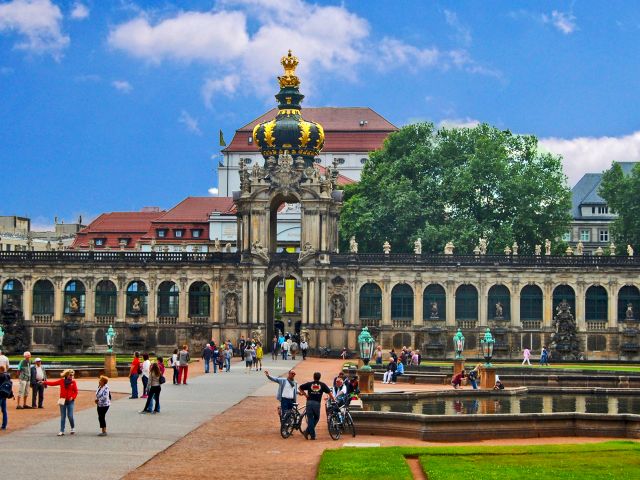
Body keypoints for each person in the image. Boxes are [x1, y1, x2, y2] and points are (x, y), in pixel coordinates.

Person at [298, 372, 335, 441]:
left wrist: (305, 394)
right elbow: (330, 393)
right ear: (320, 377)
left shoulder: (309, 384)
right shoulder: (322, 385)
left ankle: (309, 433)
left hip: (309, 403)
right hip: (316, 404)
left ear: (313, 377)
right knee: (316, 418)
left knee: (310, 419)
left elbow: (300, 388)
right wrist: (334, 399)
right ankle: (310, 434)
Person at [44, 369, 78, 436]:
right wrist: (44, 382)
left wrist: (73, 397)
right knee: (63, 416)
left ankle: (72, 428)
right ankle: (62, 431)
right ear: (66, 375)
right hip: (63, 400)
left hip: (70, 401)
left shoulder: (73, 382)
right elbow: (53, 383)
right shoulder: (61, 381)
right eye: (70, 375)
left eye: (72, 375)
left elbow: (76, 391)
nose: (71, 376)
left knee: (70, 416)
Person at [0, 364, 14, 430]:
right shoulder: (7, 376)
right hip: (4, 394)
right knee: (4, 410)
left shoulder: (1, 376)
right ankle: (4, 425)